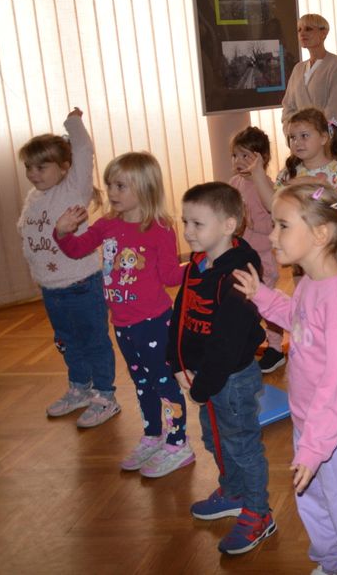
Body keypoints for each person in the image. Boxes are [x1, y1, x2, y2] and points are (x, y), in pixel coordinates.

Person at [234, 182, 337, 574]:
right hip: (311, 427)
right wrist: (262, 298)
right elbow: (300, 322)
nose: (271, 235)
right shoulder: (311, 284)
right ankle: (330, 564)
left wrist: (315, 447)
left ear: (321, 234)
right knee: (315, 505)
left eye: (282, 225)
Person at [54, 152, 194, 477]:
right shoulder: (106, 225)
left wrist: (202, 263)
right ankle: (152, 435)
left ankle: (178, 443)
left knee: (163, 383)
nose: (112, 192)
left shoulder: (160, 229)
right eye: (109, 185)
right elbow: (76, 249)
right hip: (123, 324)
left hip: (155, 323)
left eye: (120, 185)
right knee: (141, 383)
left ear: (144, 188)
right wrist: (63, 233)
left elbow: (171, 277)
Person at [168, 183, 273, 555]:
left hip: (231, 380)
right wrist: (175, 361)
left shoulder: (239, 274)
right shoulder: (196, 264)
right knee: (215, 439)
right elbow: (181, 312)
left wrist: (202, 385)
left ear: (229, 224)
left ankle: (259, 512)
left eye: (197, 223)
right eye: (185, 222)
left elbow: (228, 341)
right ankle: (233, 492)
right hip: (205, 377)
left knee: (242, 445)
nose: (188, 231)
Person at [17, 107, 117, 427]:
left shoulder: (72, 189)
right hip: (51, 288)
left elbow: (84, 150)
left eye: (41, 166)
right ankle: (80, 388)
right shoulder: (34, 196)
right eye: (29, 166)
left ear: (63, 167)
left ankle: (105, 395)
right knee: (67, 342)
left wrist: (73, 122)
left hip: (81, 284)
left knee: (94, 341)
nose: (34, 173)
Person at [229, 126, 285, 374]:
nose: (238, 162)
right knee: (243, 303)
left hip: (263, 259)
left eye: (245, 156)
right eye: (235, 156)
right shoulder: (234, 182)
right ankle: (250, 342)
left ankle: (275, 348)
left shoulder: (266, 187)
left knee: (267, 304)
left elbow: (272, 222)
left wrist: (249, 222)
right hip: (240, 255)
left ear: (260, 158)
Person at [280, 13, 337, 129]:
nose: (302, 33)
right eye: (299, 30)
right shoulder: (298, 68)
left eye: (308, 29)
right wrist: (292, 134)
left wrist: (317, 137)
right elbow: (288, 107)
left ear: (324, 33)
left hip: (329, 141)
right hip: (299, 141)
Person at [276, 108, 337, 208]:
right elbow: (274, 204)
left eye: (304, 135)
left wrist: (322, 186)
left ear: (323, 138)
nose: (297, 142)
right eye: (293, 137)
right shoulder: (287, 173)